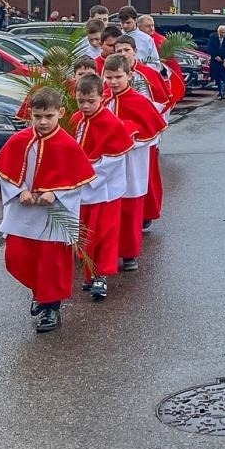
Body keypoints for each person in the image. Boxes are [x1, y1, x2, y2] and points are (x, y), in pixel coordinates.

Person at [0, 87, 97, 333]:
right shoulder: (19, 141)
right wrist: (20, 192)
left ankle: (50, 308)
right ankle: (39, 292)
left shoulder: (67, 145)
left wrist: (55, 192)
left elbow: (80, 180)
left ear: (60, 113)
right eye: (38, 117)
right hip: (24, 213)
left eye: (48, 116)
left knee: (52, 264)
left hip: (54, 216)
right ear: (30, 115)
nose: (43, 122)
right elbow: (5, 173)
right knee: (17, 257)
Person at [67, 74, 136, 301]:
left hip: (105, 189)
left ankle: (101, 276)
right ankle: (89, 274)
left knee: (105, 233)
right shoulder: (77, 120)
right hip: (83, 189)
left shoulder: (111, 123)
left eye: (91, 101)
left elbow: (113, 159)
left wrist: (89, 176)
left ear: (101, 97)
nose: (85, 106)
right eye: (81, 101)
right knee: (86, 234)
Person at [102, 52, 167, 273]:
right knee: (106, 210)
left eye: (118, 77)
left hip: (131, 164)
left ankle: (129, 253)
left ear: (129, 76)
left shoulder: (140, 102)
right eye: (109, 77)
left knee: (129, 210)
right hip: (107, 165)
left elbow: (152, 134)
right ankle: (105, 254)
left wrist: (127, 132)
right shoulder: (101, 99)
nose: (113, 82)